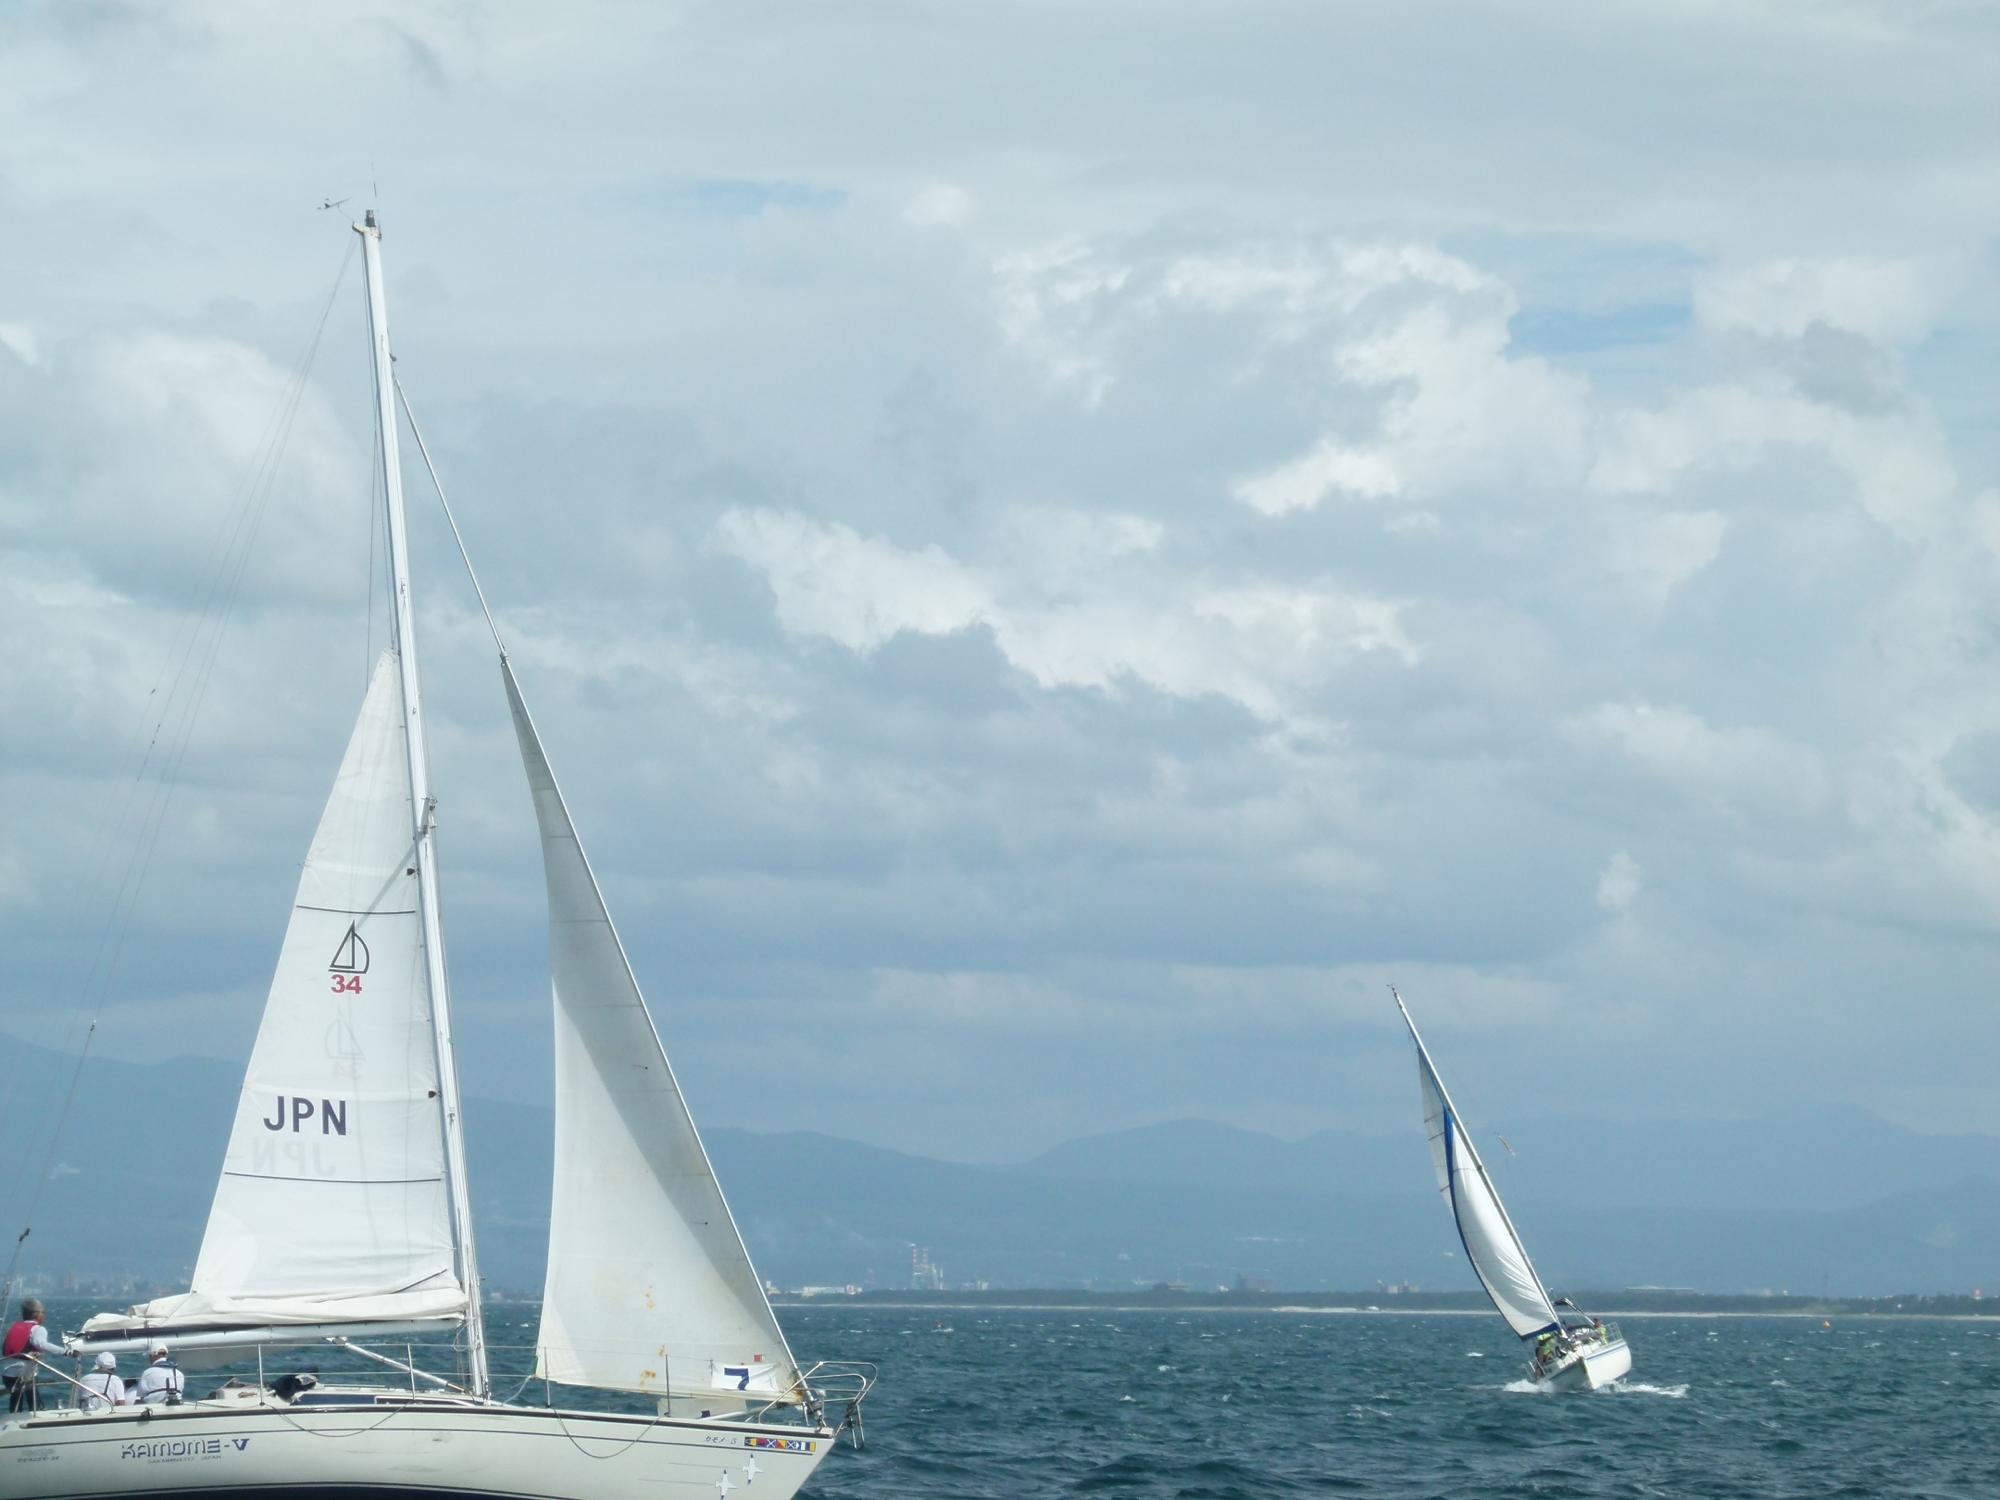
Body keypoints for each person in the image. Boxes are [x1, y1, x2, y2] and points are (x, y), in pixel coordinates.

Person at [2, 1297, 62, 1413]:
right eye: (43, 1312)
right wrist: (65, 1352)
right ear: (37, 1314)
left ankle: (14, 1415)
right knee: (33, 1397)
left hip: (7, 1375)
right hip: (24, 1373)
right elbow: (41, 1344)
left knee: (16, 1400)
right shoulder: (37, 1329)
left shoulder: (12, 1328)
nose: (44, 1315)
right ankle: (37, 1413)